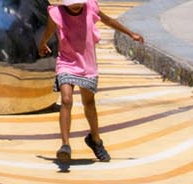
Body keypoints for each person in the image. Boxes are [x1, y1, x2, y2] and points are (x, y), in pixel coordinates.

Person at [37, 0, 144, 167]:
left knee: (89, 103)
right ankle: (65, 145)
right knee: (66, 100)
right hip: (66, 63)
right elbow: (49, 31)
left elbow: (108, 21)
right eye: (73, 3)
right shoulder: (57, 13)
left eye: (79, 3)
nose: (77, 6)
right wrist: (42, 44)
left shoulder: (91, 8)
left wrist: (131, 34)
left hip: (87, 64)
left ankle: (95, 139)